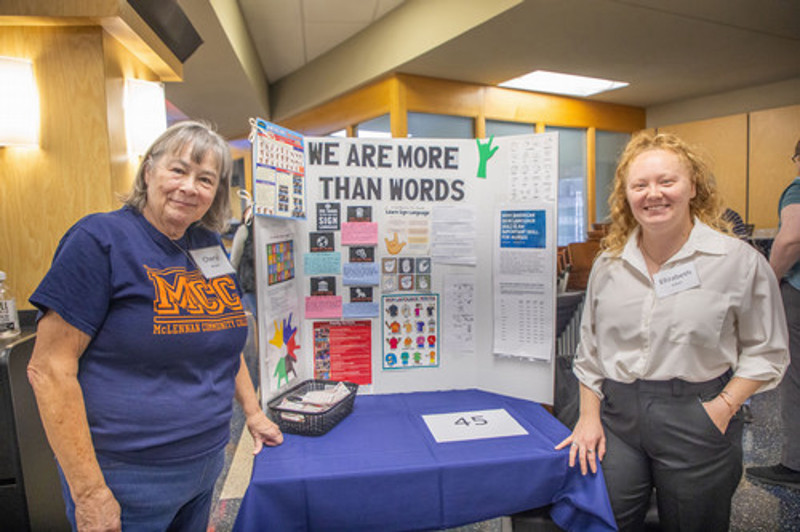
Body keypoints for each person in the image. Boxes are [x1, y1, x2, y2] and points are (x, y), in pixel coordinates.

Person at [26, 120, 283, 531]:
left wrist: (252, 413)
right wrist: (90, 492)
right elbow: (49, 369)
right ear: (149, 172)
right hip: (126, 474)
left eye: (205, 179)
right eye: (178, 170)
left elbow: (221, 340)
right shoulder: (99, 240)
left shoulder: (207, 244)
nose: (189, 187)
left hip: (206, 462)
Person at [555, 132, 788, 531]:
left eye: (667, 181)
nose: (653, 194)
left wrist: (723, 407)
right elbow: (590, 350)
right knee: (608, 520)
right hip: (617, 418)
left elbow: (767, 351)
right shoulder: (609, 264)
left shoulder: (737, 262)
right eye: (639, 185)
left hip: (696, 413)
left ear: (693, 186)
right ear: (626, 195)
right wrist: (588, 418)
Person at [747, 139, 800, 488]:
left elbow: (790, 239)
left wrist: (769, 279)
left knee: (795, 380)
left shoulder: (797, 188)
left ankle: (794, 464)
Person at [230, 201, 256, 317]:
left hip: (263, 285)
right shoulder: (244, 230)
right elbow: (234, 261)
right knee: (255, 318)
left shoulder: (265, 232)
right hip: (249, 284)